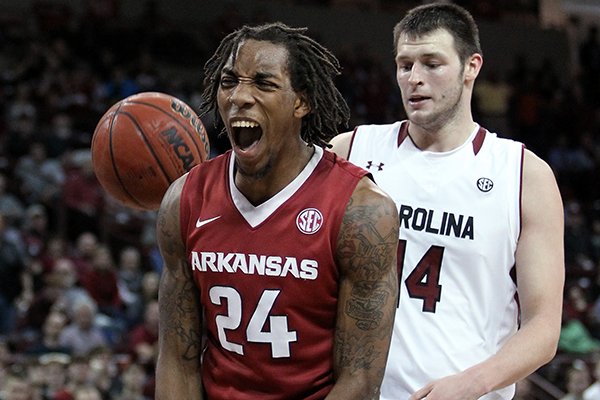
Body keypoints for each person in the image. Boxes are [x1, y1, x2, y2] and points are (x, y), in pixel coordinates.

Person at [329, 3, 564, 400]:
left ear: (472, 66)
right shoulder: (350, 151)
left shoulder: (524, 175)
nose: (414, 79)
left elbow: (543, 328)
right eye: (405, 65)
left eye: (431, 63)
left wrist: (473, 383)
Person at [155, 22, 399, 399]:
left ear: (302, 102)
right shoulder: (185, 200)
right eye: (229, 81)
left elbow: (360, 381)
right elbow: (177, 358)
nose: (240, 96)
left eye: (263, 84)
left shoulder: (361, 211)